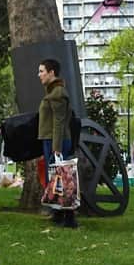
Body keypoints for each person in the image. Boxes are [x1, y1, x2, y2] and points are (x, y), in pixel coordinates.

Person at [37, 58, 77, 228]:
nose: (39, 75)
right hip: (52, 140)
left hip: (56, 142)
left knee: (63, 179)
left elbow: (59, 122)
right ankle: (59, 214)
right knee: (56, 179)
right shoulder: (52, 92)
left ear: (51, 72)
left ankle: (69, 218)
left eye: (41, 71)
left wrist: (56, 148)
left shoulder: (58, 93)